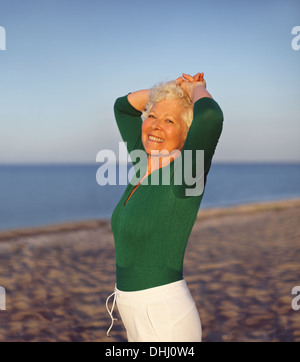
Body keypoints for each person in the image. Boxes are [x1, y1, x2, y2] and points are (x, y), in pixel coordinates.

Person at [106, 73, 223, 342]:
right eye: (152, 116)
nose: (156, 126)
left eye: (169, 121)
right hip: (133, 313)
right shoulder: (141, 162)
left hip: (166, 318)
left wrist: (195, 89)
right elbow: (122, 107)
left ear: (186, 134)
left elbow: (210, 117)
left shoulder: (186, 174)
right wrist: (171, 90)